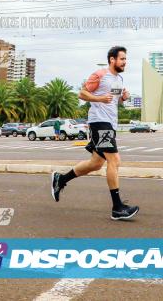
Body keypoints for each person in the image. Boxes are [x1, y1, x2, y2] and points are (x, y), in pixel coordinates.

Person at [51, 46, 139, 220]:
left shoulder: (118, 79)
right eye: (122, 59)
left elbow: (113, 99)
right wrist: (99, 99)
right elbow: (82, 93)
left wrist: (123, 98)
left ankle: (60, 180)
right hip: (99, 122)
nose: (124, 62)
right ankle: (117, 207)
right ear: (112, 60)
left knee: (96, 163)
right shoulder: (100, 74)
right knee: (115, 160)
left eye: (125, 59)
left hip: (110, 124)